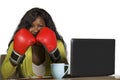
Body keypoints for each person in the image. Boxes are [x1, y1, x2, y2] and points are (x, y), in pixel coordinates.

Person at [1, 7, 68, 79]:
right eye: (31, 26)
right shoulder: (16, 43)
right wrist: (16, 55)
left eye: (40, 26)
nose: (35, 30)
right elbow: (4, 75)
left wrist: (54, 53)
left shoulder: (58, 45)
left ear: (47, 27)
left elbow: (65, 74)